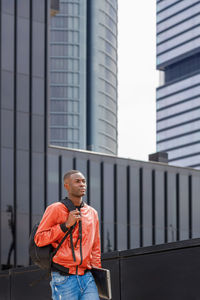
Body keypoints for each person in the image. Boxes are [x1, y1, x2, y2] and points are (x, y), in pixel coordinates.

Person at [34, 170, 101, 300]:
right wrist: (65, 226)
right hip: (64, 278)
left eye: (84, 181)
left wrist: (97, 273)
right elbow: (39, 238)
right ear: (67, 186)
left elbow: (95, 247)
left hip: (87, 278)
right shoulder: (55, 209)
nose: (82, 184)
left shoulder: (92, 213)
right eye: (77, 181)